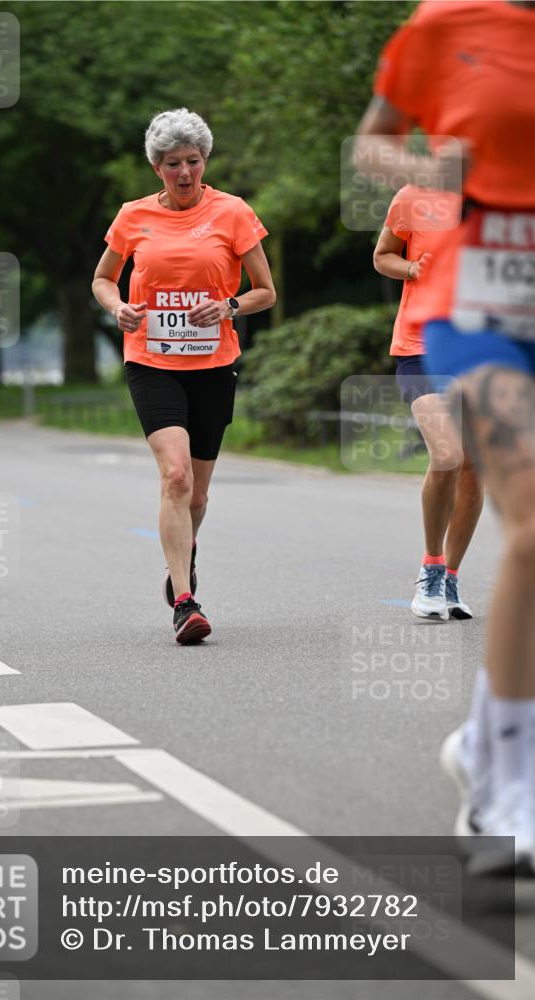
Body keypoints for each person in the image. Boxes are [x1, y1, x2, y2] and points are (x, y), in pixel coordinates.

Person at [357, 0, 535, 875]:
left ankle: (482, 739)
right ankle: (506, 783)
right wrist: (438, 165)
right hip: (475, 310)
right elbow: (372, 140)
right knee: (523, 520)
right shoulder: (449, 23)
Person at [92, 108, 276, 644]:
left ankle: (182, 560)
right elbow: (103, 278)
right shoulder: (133, 217)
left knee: (196, 496)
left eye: (193, 161)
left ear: (205, 161)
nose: (185, 173)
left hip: (214, 365)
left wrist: (230, 307)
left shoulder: (234, 212)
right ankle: (186, 602)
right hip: (151, 361)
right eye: (172, 164)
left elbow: (266, 290)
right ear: (157, 168)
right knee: (175, 477)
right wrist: (117, 306)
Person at [373, 185, 483, 621]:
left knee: (473, 466)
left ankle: (451, 579)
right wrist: (412, 268)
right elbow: (383, 255)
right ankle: (431, 570)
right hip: (421, 346)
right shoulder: (412, 197)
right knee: (448, 454)